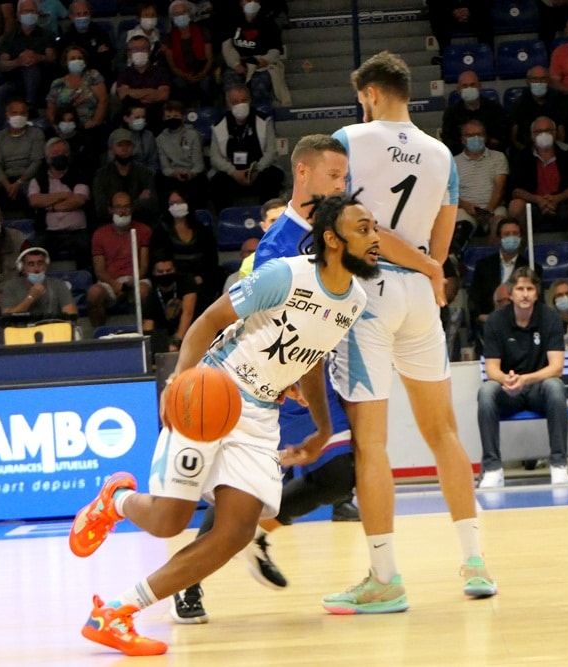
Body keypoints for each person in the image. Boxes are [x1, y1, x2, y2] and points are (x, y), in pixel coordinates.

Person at [68, 191, 374, 656]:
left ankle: (115, 612)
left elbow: (310, 359)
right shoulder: (284, 275)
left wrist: (323, 428)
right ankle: (117, 499)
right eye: (364, 229)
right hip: (213, 393)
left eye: (374, 229)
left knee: (235, 531)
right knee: (168, 522)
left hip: (260, 416)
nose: (376, 238)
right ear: (333, 239)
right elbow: (207, 321)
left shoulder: (354, 299)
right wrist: (179, 382)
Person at [326, 51, 497, 613]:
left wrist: (419, 264)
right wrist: (428, 268)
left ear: (371, 93)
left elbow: (356, 225)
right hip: (421, 296)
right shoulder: (442, 153)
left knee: (371, 444)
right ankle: (475, 562)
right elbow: (441, 240)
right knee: (444, 432)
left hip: (368, 292)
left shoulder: (349, 141)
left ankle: (384, 578)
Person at [171, 136, 362, 621]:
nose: (341, 185)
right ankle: (186, 578)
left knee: (341, 473)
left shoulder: (334, 226)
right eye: (334, 176)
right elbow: (236, 318)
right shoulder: (276, 248)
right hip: (265, 376)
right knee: (237, 495)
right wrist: (184, 379)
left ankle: (258, 534)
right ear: (303, 173)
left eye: (344, 177)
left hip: (309, 361)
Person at [477, 267, 568, 487]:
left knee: (555, 386)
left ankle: (558, 465)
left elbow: (556, 368)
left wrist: (525, 379)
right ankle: (492, 468)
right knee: (486, 391)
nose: (525, 294)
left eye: (530, 289)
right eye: (520, 289)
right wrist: (506, 380)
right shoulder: (495, 321)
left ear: (537, 293)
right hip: (509, 390)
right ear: (510, 293)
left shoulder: (551, 318)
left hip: (538, 389)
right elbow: (492, 369)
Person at [507, 115, 568, 245]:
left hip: (562, 203)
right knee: (515, 206)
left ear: (555, 133)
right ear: (532, 135)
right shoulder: (522, 156)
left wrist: (557, 199)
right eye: (538, 131)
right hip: (533, 204)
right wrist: (538, 200)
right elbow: (515, 190)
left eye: (548, 130)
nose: (543, 134)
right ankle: (524, 249)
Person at [206, 84, 284, 212]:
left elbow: (271, 152)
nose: (240, 105)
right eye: (235, 102)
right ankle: (226, 218)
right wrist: (233, 172)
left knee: (273, 177)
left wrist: (257, 169)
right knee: (217, 183)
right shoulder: (218, 125)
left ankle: (269, 217)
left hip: (258, 170)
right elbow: (215, 157)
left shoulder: (264, 121)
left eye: (243, 100)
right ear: (228, 104)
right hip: (232, 174)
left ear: (250, 100)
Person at [468, 218, 542, 351]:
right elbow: (474, 298)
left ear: (521, 237)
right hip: (490, 322)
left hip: (522, 322)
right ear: (499, 238)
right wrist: (481, 316)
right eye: (507, 234)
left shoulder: (532, 268)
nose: (511, 237)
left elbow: (538, 301)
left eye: (515, 233)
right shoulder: (483, 266)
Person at [86, 190, 152, 326]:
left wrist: (130, 283)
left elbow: (144, 266)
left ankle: (146, 331)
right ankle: (100, 334)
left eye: (126, 207)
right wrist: (115, 284)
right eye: (118, 207)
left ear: (132, 208)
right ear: (110, 209)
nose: (123, 211)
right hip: (110, 281)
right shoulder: (99, 234)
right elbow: (99, 270)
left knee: (143, 291)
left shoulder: (144, 230)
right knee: (94, 293)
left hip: (136, 279)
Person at [27, 137, 92, 270]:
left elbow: (78, 200)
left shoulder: (80, 175)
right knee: (36, 251)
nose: (60, 156)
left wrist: (50, 206)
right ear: (47, 158)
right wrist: (63, 195)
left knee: (87, 248)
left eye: (64, 153)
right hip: (48, 232)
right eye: (55, 153)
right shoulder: (38, 179)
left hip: (77, 231)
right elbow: (34, 201)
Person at [151, 189, 221, 310]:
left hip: (201, 279)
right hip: (173, 280)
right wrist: (182, 280)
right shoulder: (161, 231)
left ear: (187, 203)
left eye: (179, 202)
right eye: (171, 204)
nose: (175, 206)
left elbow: (212, 260)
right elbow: (160, 260)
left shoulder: (203, 230)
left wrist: (202, 277)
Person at [453, 119, 508, 247]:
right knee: (460, 227)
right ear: (462, 139)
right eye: (470, 135)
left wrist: (488, 211)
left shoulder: (498, 157)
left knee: (500, 224)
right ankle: (457, 257)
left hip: (494, 207)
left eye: (479, 134)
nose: (475, 138)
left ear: (485, 137)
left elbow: (499, 187)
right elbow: (449, 192)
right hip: (465, 208)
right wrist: (465, 205)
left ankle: (492, 255)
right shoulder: (453, 162)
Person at [222, 0, 285, 112]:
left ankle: (262, 113)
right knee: (231, 83)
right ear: (241, 3)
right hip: (239, 63)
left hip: (261, 65)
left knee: (260, 84)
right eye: (247, 0)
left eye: (254, 0)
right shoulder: (232, 22)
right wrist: (235, 64)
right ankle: (233, 112)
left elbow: (276, 49)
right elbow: (227, 46)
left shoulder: (269, 23)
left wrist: (265, 60)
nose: (250, 3)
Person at [0, 0, 56, 119]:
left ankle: (30, 104)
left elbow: (52, 57)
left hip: (42, 80)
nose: (29, 14)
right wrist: (18, 61)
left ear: (38, 14)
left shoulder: (47, 34)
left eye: (32, 11)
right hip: (16, 81)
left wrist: (38, 57)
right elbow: (2, 64)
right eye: (26, 11)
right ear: (18, 15)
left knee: (31, 68)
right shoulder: (10, 37)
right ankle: (3, 127)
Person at [0, 97, 45, 215]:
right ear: (7, 115)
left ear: (27, 115)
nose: (18, 116)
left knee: (31, 193)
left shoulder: (36, 134)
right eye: (14, 113)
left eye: (22, 113)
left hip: (29, 177)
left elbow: (36, 161)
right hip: (6, 178)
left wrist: (19, 182)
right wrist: (8, 185)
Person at [45, 45, 108, 151]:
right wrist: (55, 125)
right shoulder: (58, 83)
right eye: (72, 58)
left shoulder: (92, 75)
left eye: (79, 58)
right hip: (65, 126)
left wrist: (95, 121)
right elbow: (51, 107)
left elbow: (103, 100)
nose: (76, 60)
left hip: (89, 127)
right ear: (66, 62)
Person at [92, 128, 158, 226]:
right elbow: (101, 209)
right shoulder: (101, 175)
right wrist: (138, 202)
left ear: (133, 147)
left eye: (128, 145)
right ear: (112, 149)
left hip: (140, 223)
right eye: (120, 145)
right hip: (110, 225)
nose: (124, 149)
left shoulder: (145, 173)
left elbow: (152, 204)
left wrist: (116, 208)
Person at [440, 70, 510, 156]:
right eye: (465, 86)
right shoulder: (451, 113)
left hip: (491, 156)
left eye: (472, 85)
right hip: (462, 157)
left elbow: (503, 137)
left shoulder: (495, 109)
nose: (469, 88)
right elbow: (447, 140)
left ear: (479, 87)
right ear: (458, 90)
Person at [156, 100, 207, 210]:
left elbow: (198, 164)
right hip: (173, 175)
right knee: (160, 181)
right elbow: (165, 166)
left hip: (192, 174)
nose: (172, 119)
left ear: (183, 118)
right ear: (164, 118)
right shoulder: (160, 139)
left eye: (176, 116)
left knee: (200, 182)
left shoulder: (193, 135)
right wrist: (174, 173)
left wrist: (190, 173)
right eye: (168, 116)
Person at [0, 246, 77, 317]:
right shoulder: (11, 287)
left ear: (45, 266)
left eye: (40, 263)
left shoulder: (59, 285)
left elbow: (71, 315)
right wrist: (31, 297)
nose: (36, 269)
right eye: (31, 264)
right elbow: (7, 316)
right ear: (22, 268)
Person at [164, 0, 216, 106]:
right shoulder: (169, 37)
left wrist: (203, 72)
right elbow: (172, 66)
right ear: (172, 17)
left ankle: (206, 110)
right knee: (178, 85)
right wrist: (185, 76)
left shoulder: (202, 31)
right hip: (181, 73)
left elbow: (209, 58)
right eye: (177, 14)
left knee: (207, 83)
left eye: (183, 12)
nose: (180, 16)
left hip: (202, 70)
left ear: (189, 14)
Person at [141, 255, 197, 352]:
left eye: (168, 271)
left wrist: (177, 341)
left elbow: (188, 313)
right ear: (153, 273)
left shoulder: (186, 282)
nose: (165, 274)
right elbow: (148, 327)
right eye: (160, 272)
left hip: (192, 332)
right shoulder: (152, 295)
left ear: (174, 269)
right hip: (165, 337)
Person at [509, 65, 568, 151]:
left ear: (548, 81)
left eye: (543, 79)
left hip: (554, 147)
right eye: (535, 79)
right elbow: (514, 137)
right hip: (527, 148)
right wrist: (526, 153)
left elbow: (561, 130)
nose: (539, 82)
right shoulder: (519, 103)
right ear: (528, 81)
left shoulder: (558, 100)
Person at [116, 34, 170, 128]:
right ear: (129, 53)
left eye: (143, 49)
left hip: (156, 117)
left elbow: (163, 95)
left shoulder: (161, 72)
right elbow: (123, 95)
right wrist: (151, 92)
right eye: (135, 49)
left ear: (149, 52)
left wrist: (133, 94)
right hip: (132, 118)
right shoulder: (124, 73)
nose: (139, 52)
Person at [55, 0, 114, 81]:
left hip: (98, 77)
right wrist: (95, 55)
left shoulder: (101, 33)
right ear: (71, 17)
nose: (82, 17)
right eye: (78, 14)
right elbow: (63, 63)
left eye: (85, 13)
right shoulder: (66, 38)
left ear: (90, 15)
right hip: (74, 79)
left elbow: (107, 58)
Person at [426, 0, 493, 59]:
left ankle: (486, 52)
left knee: (484, 17)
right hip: (447, 14)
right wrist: (452, 11)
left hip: (474, 12)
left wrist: (469, 10)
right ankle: (445, 53)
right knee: (436, 15)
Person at [108, 100, 159, 173]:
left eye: (143, 117)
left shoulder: (149, 136)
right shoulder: (115, 135)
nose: (141, 120)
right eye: (137, 117)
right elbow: (111, 161)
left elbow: (153, 162)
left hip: (144, 174)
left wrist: (147, 176)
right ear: (126, 118)